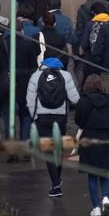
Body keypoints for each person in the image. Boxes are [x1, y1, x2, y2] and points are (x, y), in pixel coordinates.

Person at [26, 57, 80, 197]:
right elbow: (74, 98)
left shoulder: (36, 76)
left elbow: (30, 99)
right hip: (60, 117)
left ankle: (56, 184)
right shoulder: (66, 75)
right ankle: (57, 180)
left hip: (42, 117)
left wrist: (34, 116)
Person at [75, 74, 109, 216]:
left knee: (92, 175)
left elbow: (79, 121)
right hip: (107, 139)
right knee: (104, 172)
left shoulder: (83, 102)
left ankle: (96, 207)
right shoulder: (108, 100)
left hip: (89, 139)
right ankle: (106, 197)